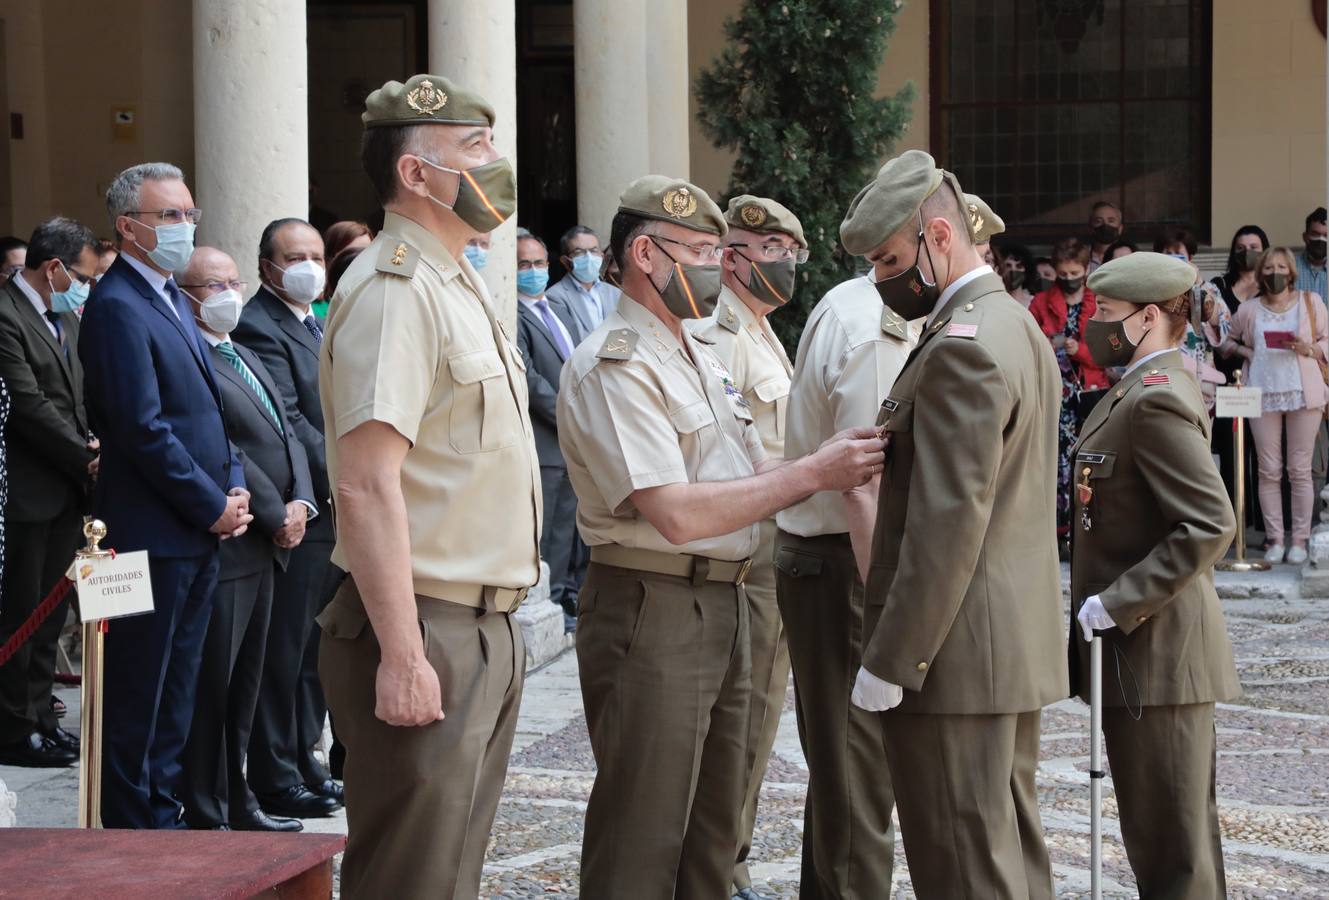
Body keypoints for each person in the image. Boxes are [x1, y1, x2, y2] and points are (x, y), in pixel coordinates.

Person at [557, 175, 884, 899]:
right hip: (655, 602)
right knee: (643, 832)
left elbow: (746, 466)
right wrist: (810, 476)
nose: (718, 266)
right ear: (644, 254)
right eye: (702, 251)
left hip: (725, 599)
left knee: (713, 827)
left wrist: (825, 466)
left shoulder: (693, 351)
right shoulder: (618, 361)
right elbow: (674, 511)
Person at [316, 74, 537, 899]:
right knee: (411, 877)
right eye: (474, 149)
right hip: (424, 623)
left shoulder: (455, 279)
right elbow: (366, 485)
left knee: (450, 874)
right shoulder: (394, 287)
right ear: (415, 173)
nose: (495, 164)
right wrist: (404, 655)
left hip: (482, 623)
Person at [843, 150, 1065, 898]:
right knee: (1005, 860)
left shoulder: (959, 351)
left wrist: (890, 659)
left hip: (951, 658)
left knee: (963, 870)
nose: (881, 279)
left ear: (939, 236)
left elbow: (947, 522)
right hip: (996, 651)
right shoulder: (1010, 325)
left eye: (889, 259)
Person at [80, 162, 252, 828]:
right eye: (168, 217)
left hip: (193, 532)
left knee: (176, 692)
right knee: (136, 694)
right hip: (146, 534)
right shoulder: (117, 305)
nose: (183, 227)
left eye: (188, 214)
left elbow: (207, 412)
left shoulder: (172, 298)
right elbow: (142, 429)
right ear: (127, 227)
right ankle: (133, 829)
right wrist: (210, 504)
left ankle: (163, 811)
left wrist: (233, 484)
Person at [1071, 251, 1240, 898]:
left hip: (1158, 655)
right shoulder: (1136, 388)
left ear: (1146, 318)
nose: (1093, 324)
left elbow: (1208, 521)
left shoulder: (1154, 399)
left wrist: (1117, 602)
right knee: (1164, 841)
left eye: (1105, 314)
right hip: (1141, 658)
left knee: (1173, 853)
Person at [775, 242, 912, 895]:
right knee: (860, 778)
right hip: (848, 562)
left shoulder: (855, 305)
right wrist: (887, 608)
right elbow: (863, 486)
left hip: (837, 557)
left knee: (845, 775)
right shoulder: (873, 328)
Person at [687, 194, 804, 900]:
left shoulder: (761, 329)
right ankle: (717, 868)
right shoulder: (722, 330)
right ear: (734, 257)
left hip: (775, 546)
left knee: (758, 722)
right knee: (743, 722)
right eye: (774, 252)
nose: (787, 265)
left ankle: (730, 858)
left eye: (793, 253)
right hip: (748, 552)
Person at [178, 247, 314, 833]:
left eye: (233, 282)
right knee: (216, 684)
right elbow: (224, 444)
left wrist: (303, 501)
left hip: (270, 545)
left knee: (248, 684)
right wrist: (270, 510)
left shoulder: (243, 353)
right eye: (213, 285)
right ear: (185, 296)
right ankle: (208, 806)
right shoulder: (193, 361)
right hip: (234, 541)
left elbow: (286, 432)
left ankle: (241, 798)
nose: (228, 294)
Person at [233, 218, 342, 820]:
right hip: (303, 504)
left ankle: (305, 758)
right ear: (268, 267)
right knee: (285, 649)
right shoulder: (258, 323)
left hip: (329, 508)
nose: (308, 264)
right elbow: (292, 421)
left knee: (313, 650)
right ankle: (275, 769)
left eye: (315, 254)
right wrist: (342, 478)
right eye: (294, 255)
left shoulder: (315, 319)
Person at [0, 217, 99, 768]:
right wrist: (89, 456)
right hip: (27, 491)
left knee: (48, 614)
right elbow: (28, 405)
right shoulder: (5, 316)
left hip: (66, 490)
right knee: (21, 613)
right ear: (54, 268)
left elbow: (75, 397)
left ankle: (41, 716)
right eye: (81, 275)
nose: (86, 285)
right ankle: (14, 726)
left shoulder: (63, 318)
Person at [1230, 247, 1329, 564]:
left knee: (1299, 470)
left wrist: (1310, 349)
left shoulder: (1311, 302)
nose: (1275, 272)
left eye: (1281, 267)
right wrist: (1249, 353)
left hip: (1303, 392)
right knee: (1268, 470)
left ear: (1291, 272)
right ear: (1261, 274)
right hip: (1262, 390)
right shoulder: (1249, 309)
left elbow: (1327, 339)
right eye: (1269, 267)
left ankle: (1299, 539)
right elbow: (1227, 340)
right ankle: (1275, 538)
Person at [514, 229, 580, 627]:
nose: (534, 271)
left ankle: (561, 601)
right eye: (524, 264)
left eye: (539, 263)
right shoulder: (516, 314)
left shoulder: (555, 307)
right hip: (546, 442)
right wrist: (571, 415)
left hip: (570, 443)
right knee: (544, 533)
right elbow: (530, 379)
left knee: (566, 533)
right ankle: (546, 603)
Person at [1031, 238, 1110, 550]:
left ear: (1086, 269)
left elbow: (1111, 349)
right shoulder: (1040, 302)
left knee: (1089, 461)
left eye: (1074, 272)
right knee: (1055, 463)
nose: (1068, 279)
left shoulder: (1100, 302)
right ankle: (1057, 530)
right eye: (1062, 273)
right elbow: (1031, 343)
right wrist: (1047, 344)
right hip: (1055, 392)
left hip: (1090, 390)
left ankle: (1088, 528)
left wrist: (1082, 352)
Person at [1154, 228, 1231, 412]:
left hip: (1199, 375)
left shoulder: (1206, 287)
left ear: (1190, 258)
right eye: (1167, 254)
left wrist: (1199, 285)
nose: (1173, 259)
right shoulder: (1150, 289)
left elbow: (1221, 325)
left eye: (1179, 255)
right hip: (1161, 374)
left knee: (1199, 436)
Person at [546, 224, 620, 343]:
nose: (589, 257)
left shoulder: (615, 293)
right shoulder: (554, 297)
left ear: (601, 256)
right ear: (566, 261)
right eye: (579, 252)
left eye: (593, 250)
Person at [317, 222, 374, 317]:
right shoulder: (312, 310)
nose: (361, 260)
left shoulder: (375, 300)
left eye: (367, 253)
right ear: (329, 257)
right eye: (351, 254)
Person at [1296, 206, 1327, 301]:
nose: (1321, 240)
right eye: (1315, 234)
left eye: (1326, 236)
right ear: (1305, 237)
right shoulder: (1289, 268)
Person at [996, 241, 1037, 307]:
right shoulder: (995, 301)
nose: (1013, 269)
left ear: (1027, 270)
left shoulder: (1034, 302)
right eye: (1008, 265)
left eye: (1019, 266)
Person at [1087, 199, 1125, 270]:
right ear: (1090, 228)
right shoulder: (1081, 257)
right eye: (1098, 221)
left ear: (1120, 228)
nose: (1105, 225)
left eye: (1111, 221)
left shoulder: (1130, 257)